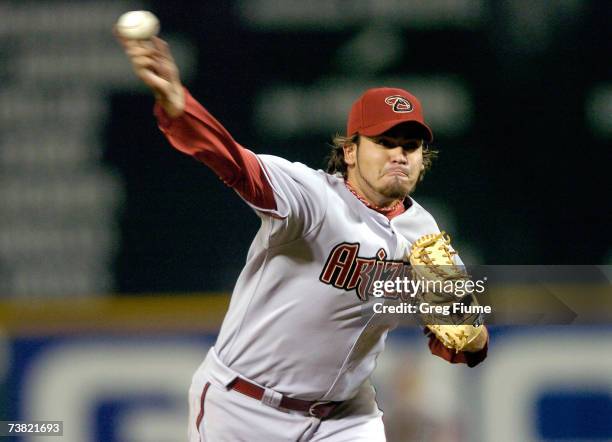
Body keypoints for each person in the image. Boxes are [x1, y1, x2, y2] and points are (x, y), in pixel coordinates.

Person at [117, 35, 488, 442]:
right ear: (349, 152)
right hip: (244, 406)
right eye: (384, 142)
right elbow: (234, 162)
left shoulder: (426, 233)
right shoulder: (312, 197)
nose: (399, 154)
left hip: (346, 417)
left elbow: (467, 341)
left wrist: (465, 327)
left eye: (410, 145)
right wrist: (179, 105)